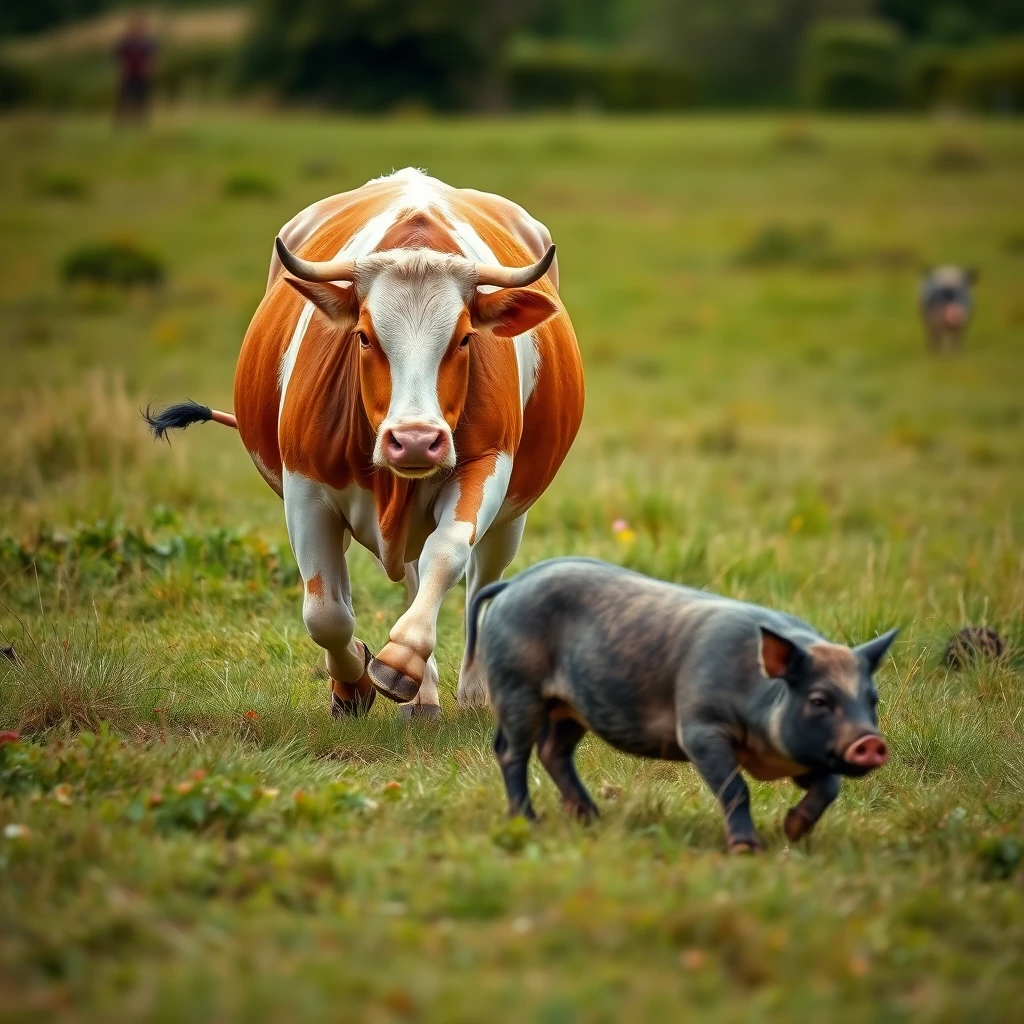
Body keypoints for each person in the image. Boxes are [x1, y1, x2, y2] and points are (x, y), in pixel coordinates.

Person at [114, 12, 157, 126]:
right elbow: (119, 56)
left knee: (142, 101)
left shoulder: (147, 42)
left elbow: (152, 57)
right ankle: (121, 124)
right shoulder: (126, 41)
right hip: (128, 74)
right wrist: (122, 69)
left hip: (142, 75)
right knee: (124, 100)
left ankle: (141, 124)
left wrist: (149, 69)